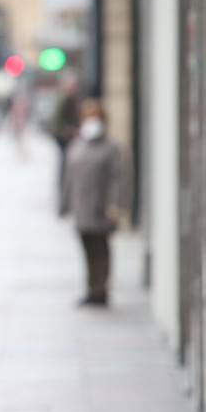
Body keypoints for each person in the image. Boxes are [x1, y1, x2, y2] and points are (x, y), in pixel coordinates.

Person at [60, 99, 127, 307]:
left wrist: (114, 205)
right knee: (87, 248)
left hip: (101, 207)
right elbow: (68, 178)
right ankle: (91, 287)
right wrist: (64, 205)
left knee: (101, 248)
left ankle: (100, 288)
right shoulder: (77, 146)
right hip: (82, 208)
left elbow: (119, 178)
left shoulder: (111, 148)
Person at [49, 73, 81, 203]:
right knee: (66, 165)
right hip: (64, 138)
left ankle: (65, 195)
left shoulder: (67, 98)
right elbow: (58, 121)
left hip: (63, 137)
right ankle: (65, 195)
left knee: (66, 165)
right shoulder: (65, 99)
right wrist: (70, 131)